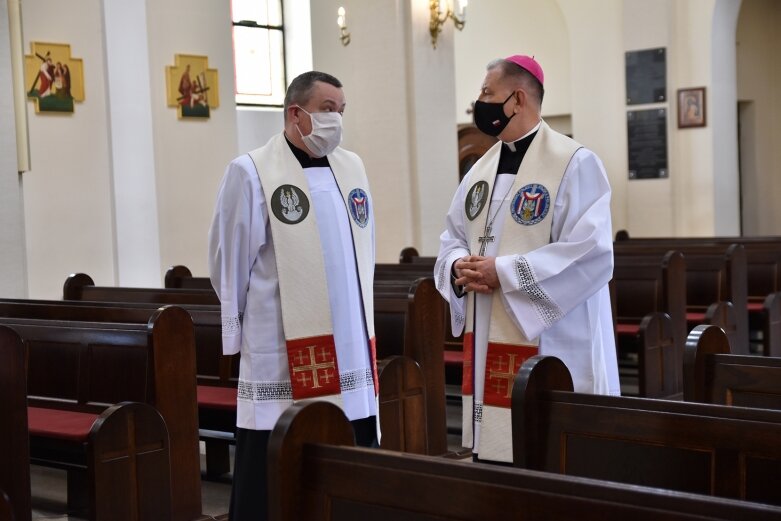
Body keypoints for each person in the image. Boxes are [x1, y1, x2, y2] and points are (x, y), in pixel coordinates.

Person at [208, 70, 378, 521]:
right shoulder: (250, 171)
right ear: (295, 113)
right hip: (281, 344)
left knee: (350, 446)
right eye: (327, 110)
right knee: (277, 455)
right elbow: (228, 259)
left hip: (349, 346)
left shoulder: (352, 167)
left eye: (341, 111)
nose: (336, 122)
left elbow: (365, 251)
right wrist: (239, 332)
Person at [434, 55, 620, 464]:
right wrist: (458, 265)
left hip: (554, 335)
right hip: (488, 321)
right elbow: (453, 235)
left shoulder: (574, 162)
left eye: (487, 93)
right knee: (497, 450)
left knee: (552, 452)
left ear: (517, 99)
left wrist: (504, 271)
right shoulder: (478, 170)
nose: (478, 103)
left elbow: (590, 251)